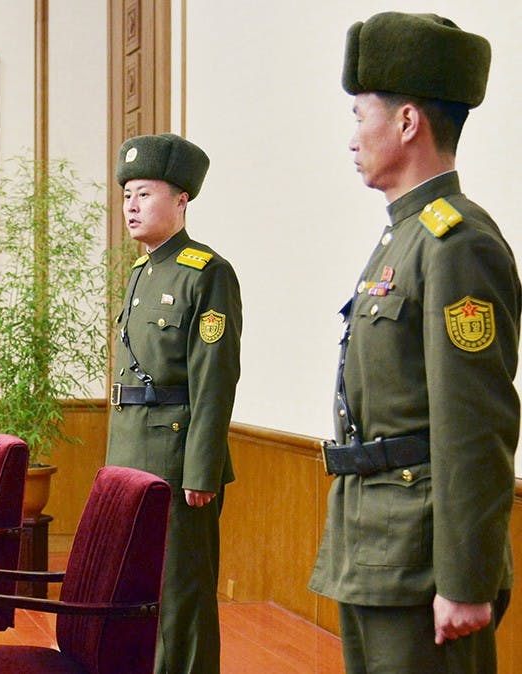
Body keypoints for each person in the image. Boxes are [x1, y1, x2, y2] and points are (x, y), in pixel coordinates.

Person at [308, 12, 520, 673]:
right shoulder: (403, 238)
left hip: (423, 559)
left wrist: (465, 578)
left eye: (359, 116)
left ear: (407, 123)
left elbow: (476, 424)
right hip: (375, 545)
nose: (351, 138)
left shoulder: (457, 244)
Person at [106, 133, 242, 674]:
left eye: (144, 194)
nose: (131, 206)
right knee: (134, 590)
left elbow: (216, 378)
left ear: (181, 200)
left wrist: (202, 468)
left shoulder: (206, 273)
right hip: (130, 451)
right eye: (126, 196)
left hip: (176, 457)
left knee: (180, 594)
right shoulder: (140, 273)